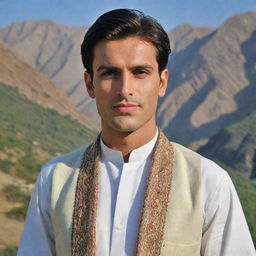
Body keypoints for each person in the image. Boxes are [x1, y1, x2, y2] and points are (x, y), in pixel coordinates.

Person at [18, 9, 255, 256]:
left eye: (140, 72)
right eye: (109, 73)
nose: (125, 89)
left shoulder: (208, 182)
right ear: (90, 84)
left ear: (162, 82)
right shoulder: (54, 181)